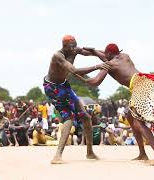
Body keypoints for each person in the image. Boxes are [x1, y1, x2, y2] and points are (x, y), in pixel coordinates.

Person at [83, 43, 154, 165]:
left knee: (138, 122)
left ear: (109, 54)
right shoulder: (125, 56)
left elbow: (95, 82)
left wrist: (78, 75)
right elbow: (104, 55)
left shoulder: (110, 64)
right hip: (146, 83)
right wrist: (94, 51)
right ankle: (142, 153)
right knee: (130, 117)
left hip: (140, 87)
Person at [43, 35, 111, 164]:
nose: (75, 49)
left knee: (86, 117)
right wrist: (98, 66)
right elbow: (74, 71)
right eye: (72, 46)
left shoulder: (74, 50)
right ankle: (57, 156)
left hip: (64, 85)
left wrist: (106, 53)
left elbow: (86, 52)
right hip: (53, 88)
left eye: (76, 45)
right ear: (65, 47)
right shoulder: (58, 56)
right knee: (68, 118)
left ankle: (90, 152)